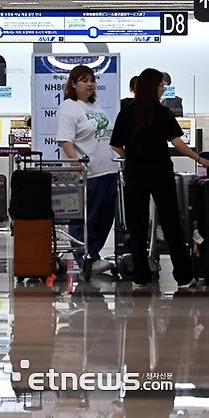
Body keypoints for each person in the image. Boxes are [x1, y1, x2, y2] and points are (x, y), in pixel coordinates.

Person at [110, 68, 208, 287]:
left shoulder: (126, 112)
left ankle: (140, 276)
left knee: (137, 224)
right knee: (171, 222)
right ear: (153, 87)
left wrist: (131, 157)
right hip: (161, 171)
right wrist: (199, 159)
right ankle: (183, 275)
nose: (163, 87)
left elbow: (115, 144)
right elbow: (177, 143)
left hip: (135, 173)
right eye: (161, 84)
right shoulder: (162, 112)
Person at [56, 65, 119, 274]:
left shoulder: (95, 106)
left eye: (92, 80)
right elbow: (65, 139)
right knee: (86, 218)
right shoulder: (69, 107)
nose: (90, 84)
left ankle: (94, 254)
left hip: (108, 169)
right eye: (84, 80)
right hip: (88, 172)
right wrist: (75, 162)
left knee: (105, 217)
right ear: (73, 84)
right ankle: (83, 257)